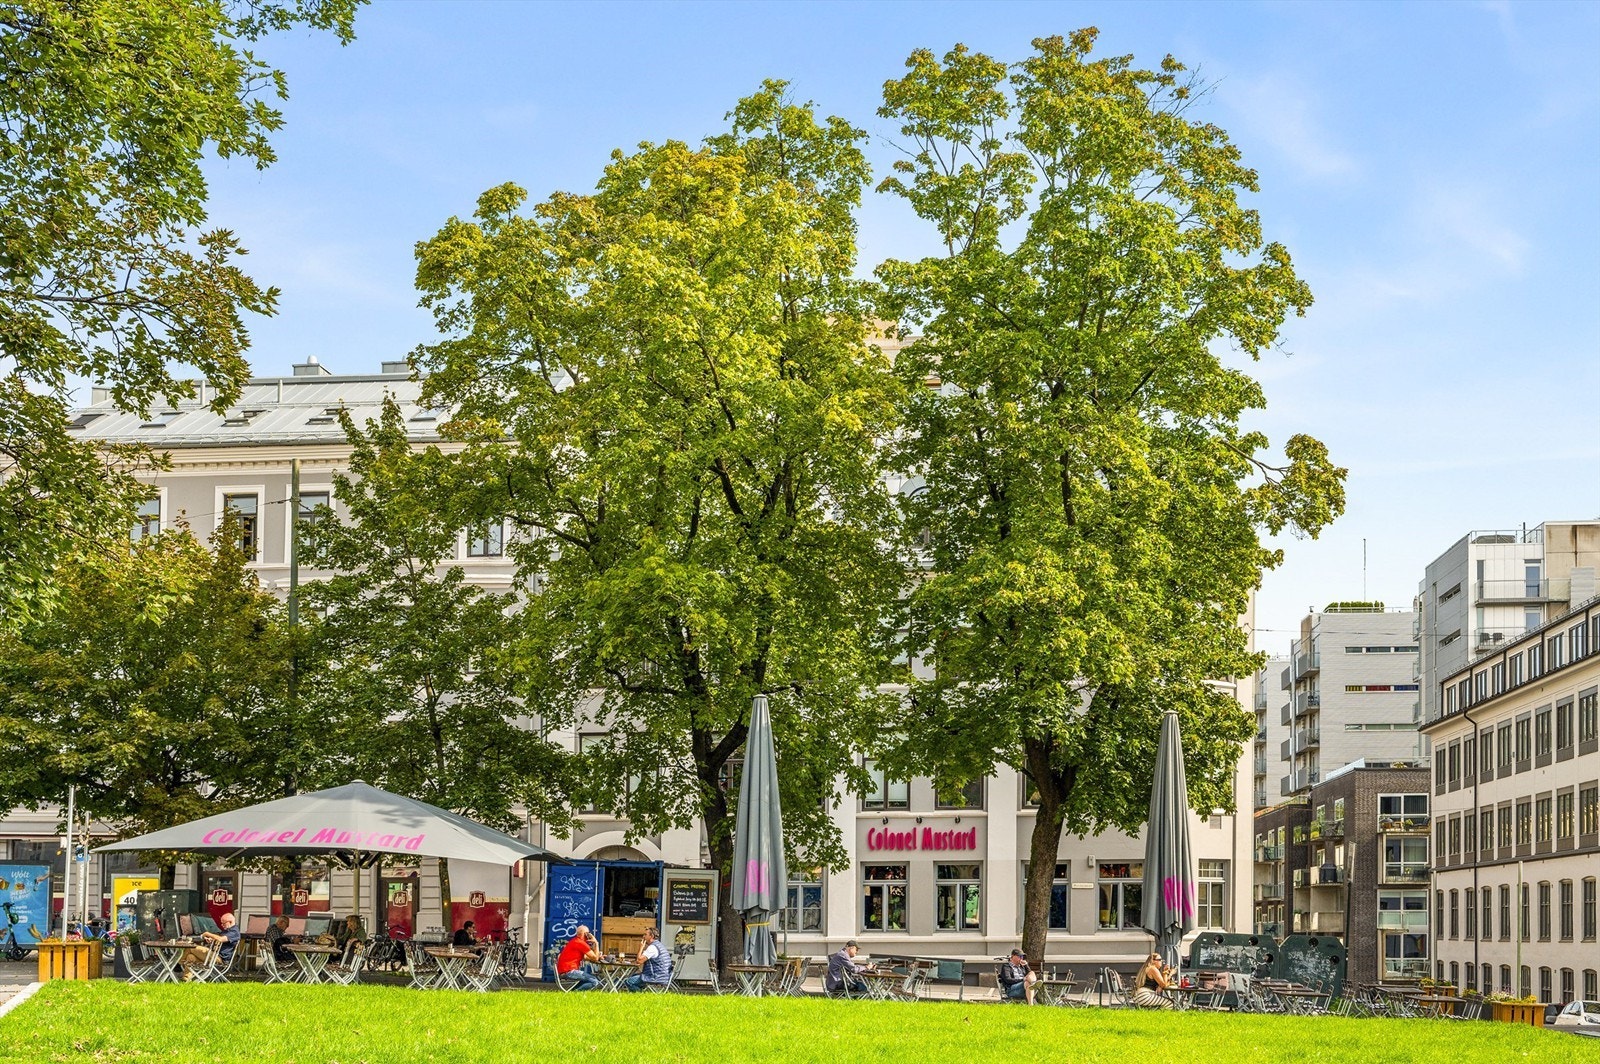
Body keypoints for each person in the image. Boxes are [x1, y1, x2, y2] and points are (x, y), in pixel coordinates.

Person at [181, 911, 239, 979]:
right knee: (190, 957)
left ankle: (177, 963)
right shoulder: (226, 931)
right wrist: (212, 941)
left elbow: (221, 939)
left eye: (223, 923)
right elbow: (219, 941)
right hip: (213, 955)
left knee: (191, 947)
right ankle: (186, 979)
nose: (222, 925)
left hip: (219, 958)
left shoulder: (234, 932)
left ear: (230, 922)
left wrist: (207, 934)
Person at [622, 926, 671, 991]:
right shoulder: (659, 945)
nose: (643, 936)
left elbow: (639, 961)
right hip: (663, 976)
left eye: (645, 934)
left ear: (652, 936)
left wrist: (641, 947)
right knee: (633, 975)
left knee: (629, 981)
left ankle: (641, 996)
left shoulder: (652, 948)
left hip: (655, 977)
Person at [555, 925, 602, 991]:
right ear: (585, 934)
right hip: (569, 971)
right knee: (594, 981)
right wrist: (596, 943)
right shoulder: (581, 943)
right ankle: (574, 993)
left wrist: (598, 956)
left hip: (564, 971)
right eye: (588, 933)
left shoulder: (575, 941)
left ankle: (571, 992)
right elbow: (595, 958)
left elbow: (586, 957)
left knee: (587, 980)